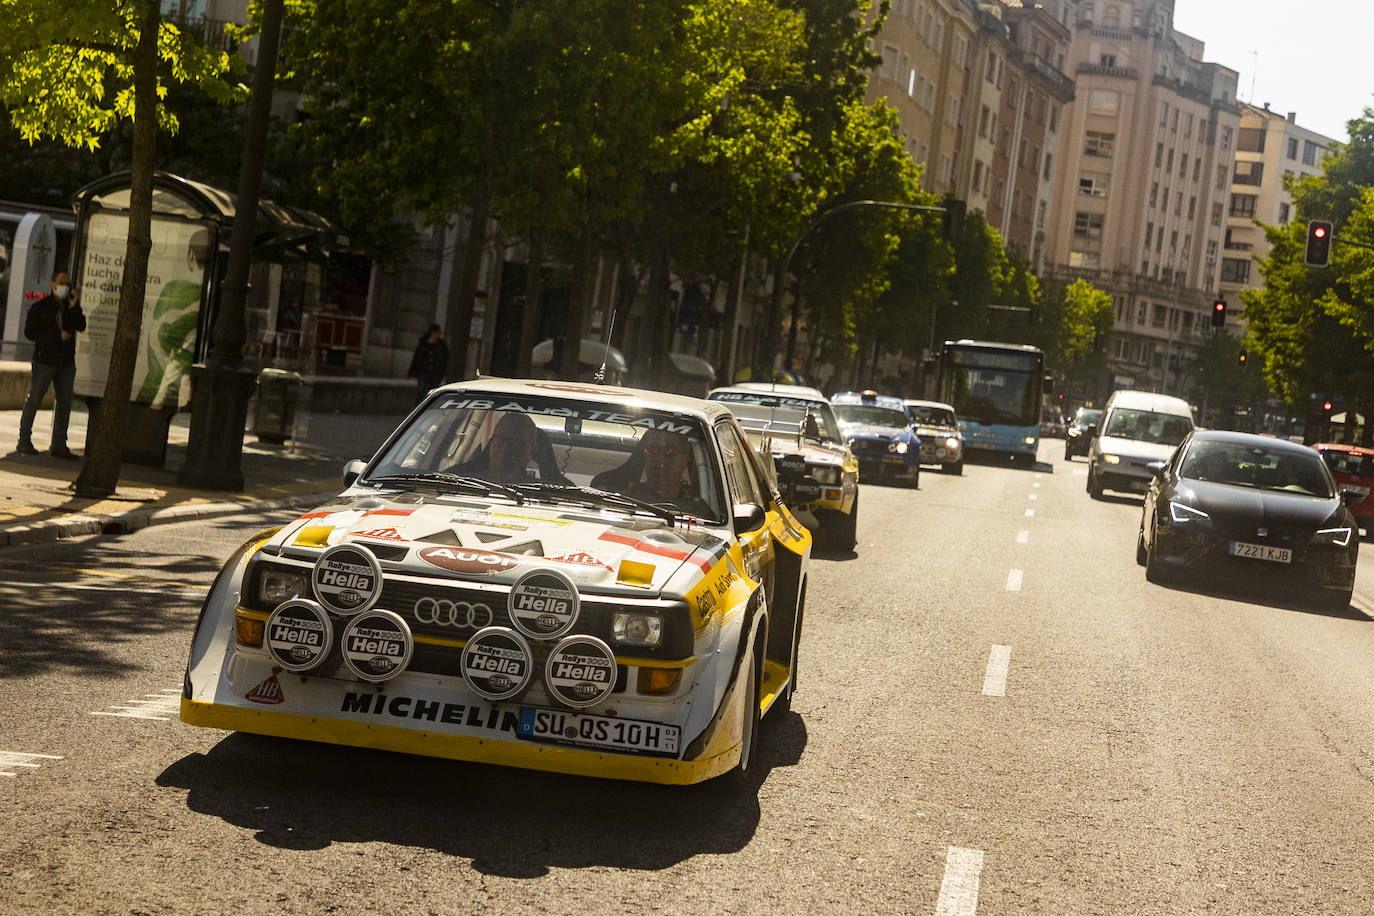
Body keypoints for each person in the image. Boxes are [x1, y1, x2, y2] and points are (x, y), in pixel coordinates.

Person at [17, 271, 86, 459]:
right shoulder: (41, 307)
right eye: (62, 283)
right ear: (53, 284)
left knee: (64, 404)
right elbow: (30, 332)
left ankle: (59, 444)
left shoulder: (71, 307)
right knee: (34, 400)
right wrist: (56, 336)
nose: (66, 287)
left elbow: (81, 325)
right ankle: (24, 441)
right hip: (45, 360)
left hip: (66, 363)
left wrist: (74, 307)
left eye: (68, 284)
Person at [624, 428, 713, 516]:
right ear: (644, 457)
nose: (659, 459)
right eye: (651, 450)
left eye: (668, 451)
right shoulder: (624, 502)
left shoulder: (699, 511)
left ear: (685, 459)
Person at [452, 412, 540, 483]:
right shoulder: (458, 481)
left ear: (531, 450)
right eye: (501, 439)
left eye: (515, 443)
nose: (505, 448)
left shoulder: (542, 494)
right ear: (492, 442)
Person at [408, 324, 449, 405]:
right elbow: (417, 358)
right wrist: (411, 371)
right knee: (421, 390)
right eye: (438, 332)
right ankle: (417, 407)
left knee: (432, 392)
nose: (439, 335)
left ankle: (428, 407)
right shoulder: (423, 344)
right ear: (432, 332)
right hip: (423, 371)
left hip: (436, 373)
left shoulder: (441, 345)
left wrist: (444, 373)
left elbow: (444, 360)